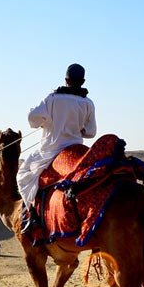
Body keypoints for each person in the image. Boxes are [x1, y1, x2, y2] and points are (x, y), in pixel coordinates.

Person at [16, 63, 97, 214]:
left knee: (22, 176)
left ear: (66, 80)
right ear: (83, 82)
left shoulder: (52, 99)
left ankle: (32, 213)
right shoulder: (88, 103)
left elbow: (32, 119)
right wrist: (81, 129)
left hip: (51, 151)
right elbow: (91, 132)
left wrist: (43, 122)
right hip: (77, 149)